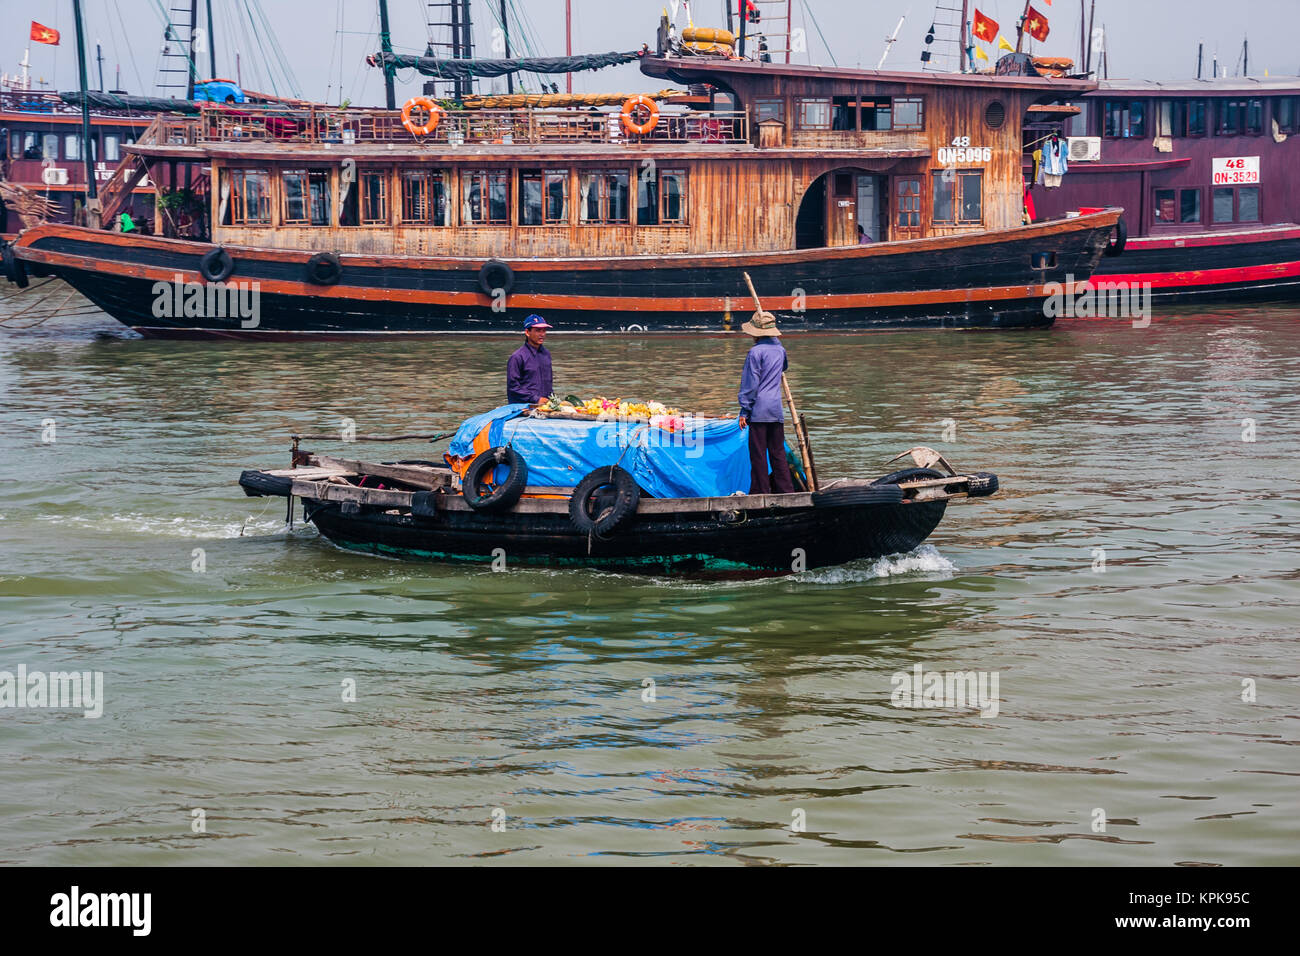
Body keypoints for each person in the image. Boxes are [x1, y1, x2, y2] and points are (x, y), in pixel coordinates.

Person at [736, 310, 795, 494]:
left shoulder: (755, 352)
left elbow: (750, 385)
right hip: (776, 410)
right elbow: (784, 366)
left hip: (759, 411)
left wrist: (744, 411)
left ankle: (761, 491)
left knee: (759, 454)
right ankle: (786, 491)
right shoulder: (780, 349)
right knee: (778, 454)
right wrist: (776, 344)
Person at [506, 314, 554, 405]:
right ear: (527, 332)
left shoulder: (546, 354)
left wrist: (553, 400)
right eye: (538, 330)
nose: (542, 334)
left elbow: (549, 383)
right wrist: (535, 399)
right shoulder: (517, 357)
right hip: (523, 407)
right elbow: (513, 388)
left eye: (544, 330)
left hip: (545, 405)